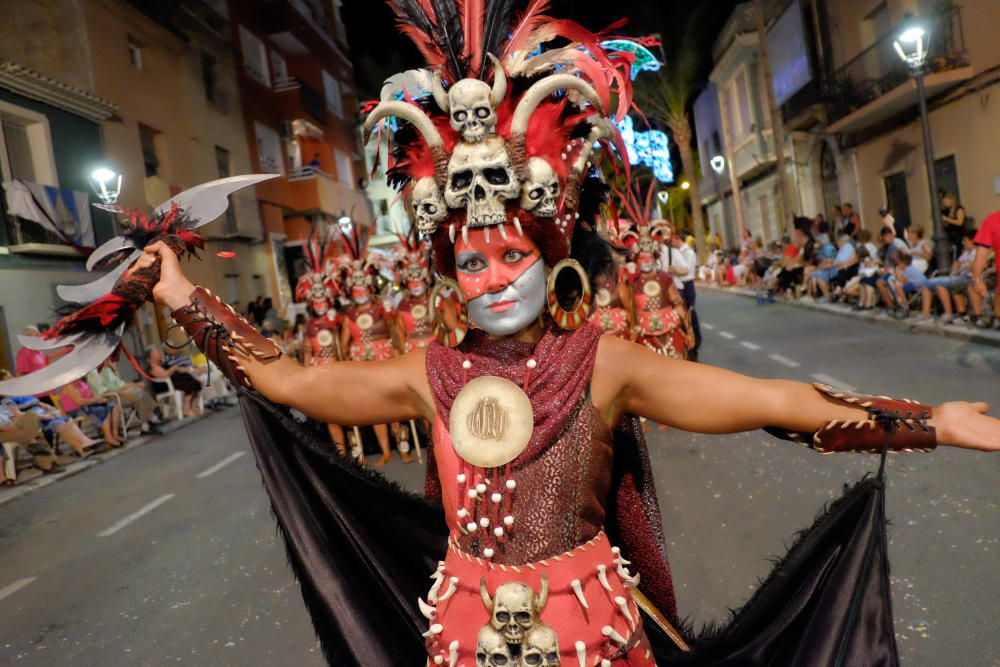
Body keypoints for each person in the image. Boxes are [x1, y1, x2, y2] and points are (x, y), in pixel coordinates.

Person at [115, 9, 999, 665]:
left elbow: (775, 402)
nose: (494, 276)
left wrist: (933, 420)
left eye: (511, 252)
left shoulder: (604, 366)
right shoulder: (430, 374)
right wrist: (185, 292)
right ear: (446, 274)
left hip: (594, 639)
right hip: (461, 641)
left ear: (556, 258)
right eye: (471, 260)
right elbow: (292, 383)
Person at [920, 227, 976, 323]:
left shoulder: (978, 251)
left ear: (973, 240)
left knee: (931, 283)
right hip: (959, 277)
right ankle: (927, 314)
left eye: (965, 240)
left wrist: (965, 266)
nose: (963, 243)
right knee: (932, 285)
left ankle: (951, 314)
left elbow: (976, 265)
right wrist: (955, 269)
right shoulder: (966, 251)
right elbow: (958, 262)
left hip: (969, 278)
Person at [85, 360, 158, 432]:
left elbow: (121, 385)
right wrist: (123, 393)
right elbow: (103, 392)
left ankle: (146, 421)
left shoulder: (107, 370)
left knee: (138, 390)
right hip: (108, 398)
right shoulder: (93, 373)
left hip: (118, 394)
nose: (110, 360)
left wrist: (136, 384)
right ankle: (148, 418)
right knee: (138, 394)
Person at [660, 229, 700, 358]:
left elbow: (686, 270)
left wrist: (674, 270)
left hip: (681, 287)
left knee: (686, 317)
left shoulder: (679, 252)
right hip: (662, 293)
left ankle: (692, 349)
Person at [59, 377, 123, 447]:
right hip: (77, 411)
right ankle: (108, 437)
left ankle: (115, 434)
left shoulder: (80, 382)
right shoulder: (68, 386)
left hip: (87, 406)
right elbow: (80, 402)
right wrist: (96, 400)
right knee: (102, 410)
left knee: (114, 406)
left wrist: (99, 399)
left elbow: (89, 396)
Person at [147, 345, 202, 417]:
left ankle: (191, 406)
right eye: (157, 353)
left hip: (173, 381)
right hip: (165, 385)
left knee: (194, 381)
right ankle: (187, 408)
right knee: (189, 384)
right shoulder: (152, 366)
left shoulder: (160, 362)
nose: (159, 354)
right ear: (152, 355)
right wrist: (173, 368)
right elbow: (165, 375)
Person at [970, 209, 999, 328]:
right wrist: (977, 279)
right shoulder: (992, 221)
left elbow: (981, 254)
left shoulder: (992, 220)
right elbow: (981, 255)